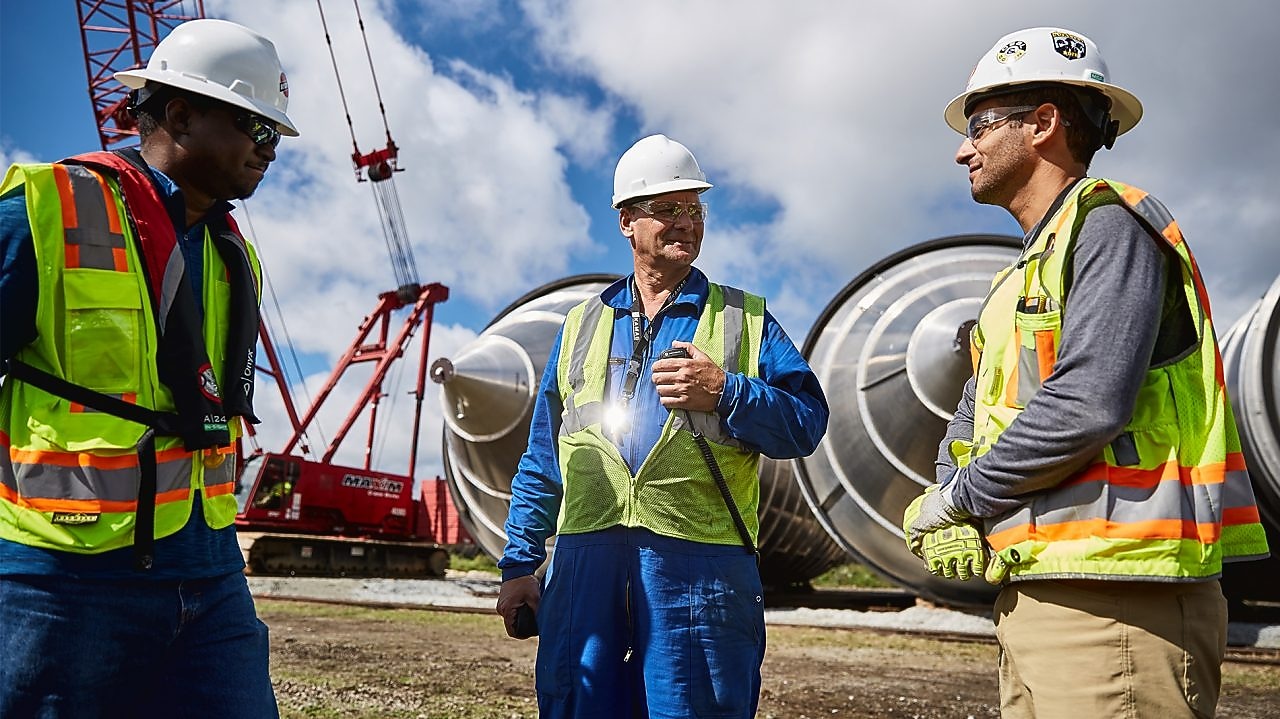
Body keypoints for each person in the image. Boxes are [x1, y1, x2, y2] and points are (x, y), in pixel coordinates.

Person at [902, 27, 1270, 718]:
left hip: (1122, 602)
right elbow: (976, 415)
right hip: (1042, 593)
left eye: (980, 125)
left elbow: (1086, 404)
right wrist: (943, 496)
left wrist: (960, 500)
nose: (962, 149)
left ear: (1043, 122)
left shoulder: (1110, 225)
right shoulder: (1019, 275)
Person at [0, 18, 298, 719]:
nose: (271, 152)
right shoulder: (47, 209)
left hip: (211, 571)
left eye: (276, 137)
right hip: (65, 577)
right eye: (258, 130)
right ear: (181, 114)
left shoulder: (234, 256)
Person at [495, 134, 828, 718]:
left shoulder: (744, 319)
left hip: (700, 569)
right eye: (667, 209)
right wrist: (520, 563)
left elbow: (804, 425)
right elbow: (544, 456)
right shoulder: (581, 325)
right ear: (627, 221)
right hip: (585, 564)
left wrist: (726, 391)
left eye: (695, 210)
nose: (686, 223)